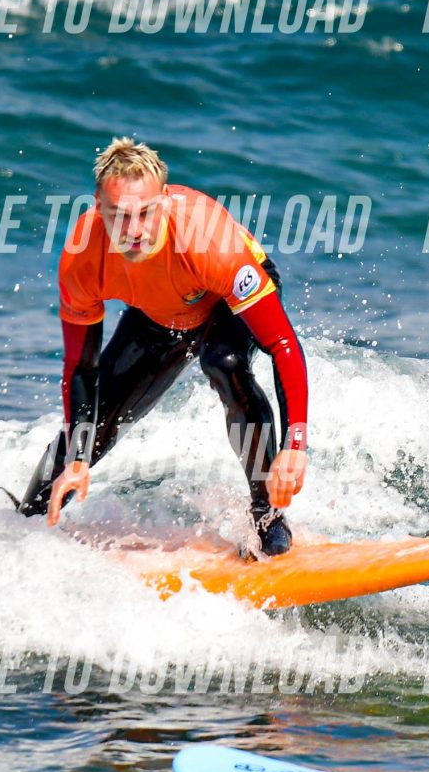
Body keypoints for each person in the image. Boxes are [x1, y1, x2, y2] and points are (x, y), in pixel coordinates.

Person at [16, 137, 310, 556]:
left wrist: (294, 446)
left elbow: (281, 343)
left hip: (224, 304)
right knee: (89, 428)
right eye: (119, 216)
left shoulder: (208, 242)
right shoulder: (82, 258)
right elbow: (81, 367)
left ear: (165, 202)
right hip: (160, 314)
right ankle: (24, 524)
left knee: (224, 362)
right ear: (98, 207)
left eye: (145, 213)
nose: (134, 231)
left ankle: (268, 518)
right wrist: (78, 458)